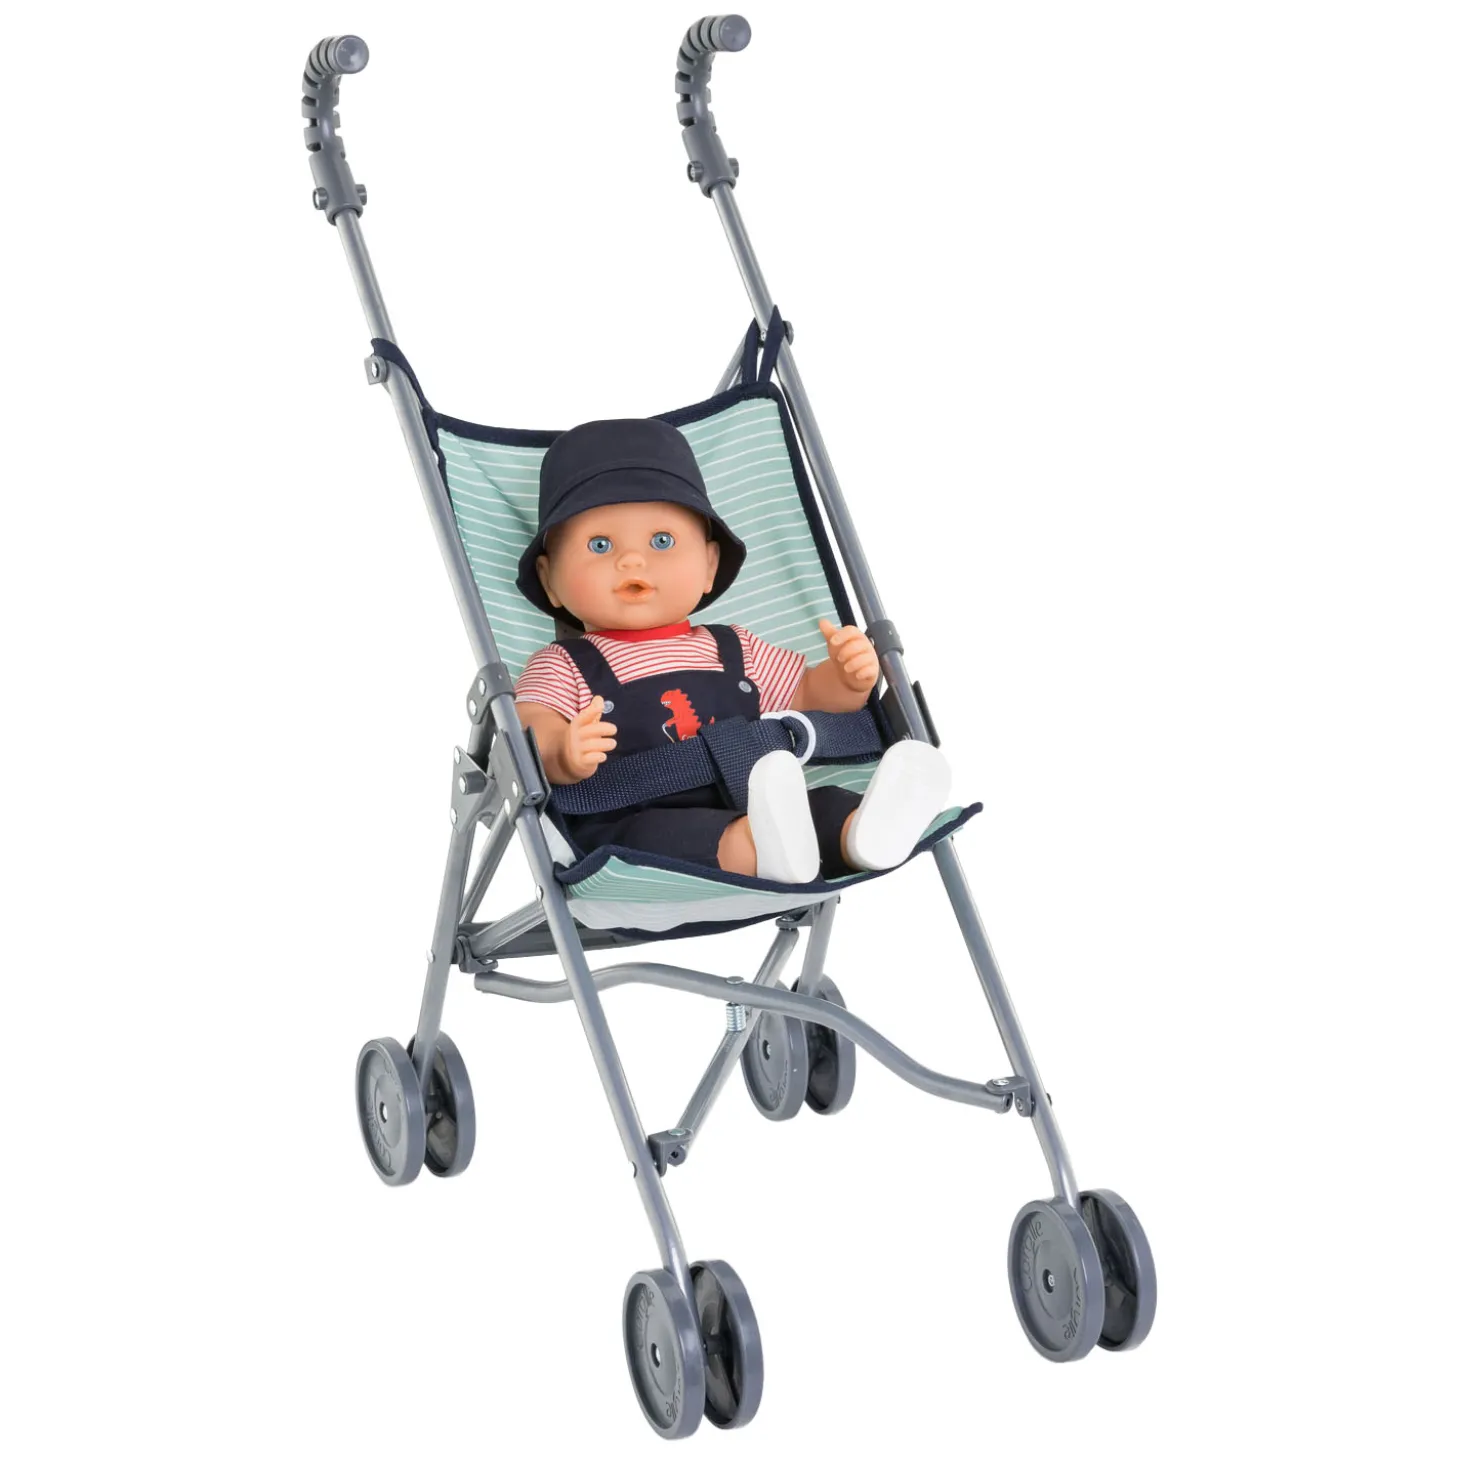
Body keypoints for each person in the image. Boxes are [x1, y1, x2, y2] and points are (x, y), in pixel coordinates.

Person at [512, 418, 951, 882]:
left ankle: (864, 833)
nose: (632, 560)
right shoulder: (562, 664)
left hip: (757, 801)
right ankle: (767, 850)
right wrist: (563, 752)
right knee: (677, 836)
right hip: (635, 820)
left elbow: (806, 696)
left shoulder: (734, 648)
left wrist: (846, 679)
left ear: (709, 565)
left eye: (662, 541)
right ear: (549, 579)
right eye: (600, 545)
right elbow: (528, 727)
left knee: (822, 807)